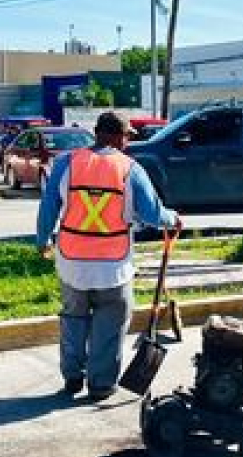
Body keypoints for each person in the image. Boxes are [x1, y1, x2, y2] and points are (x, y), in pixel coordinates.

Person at [35, 110, 180, 402]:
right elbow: (152, 214)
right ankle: (100, 384)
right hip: (112, 267)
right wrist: (173, 219)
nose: (127, 142)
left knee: (73, 319)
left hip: (72, 262)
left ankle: (73, 378)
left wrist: (42, 241)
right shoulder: (130, 168)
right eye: (126, 136)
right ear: (116, 136)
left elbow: (48, 206)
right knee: (110, 323)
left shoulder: (67, 163)